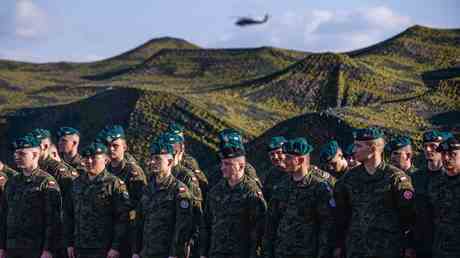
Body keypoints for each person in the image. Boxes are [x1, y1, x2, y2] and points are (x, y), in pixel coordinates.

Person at [334, 128, 416, 258]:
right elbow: (342, 215)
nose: (354, 150)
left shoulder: (395, 178)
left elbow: (408, 217)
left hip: (388, 248)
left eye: (358, 146)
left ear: (372, 149)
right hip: (357, 248)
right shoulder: (349, 179)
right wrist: (339, 244)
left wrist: (409, 246)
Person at [200, 140, 267, 258]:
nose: (222, 168)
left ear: (241, 166)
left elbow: (259, 231)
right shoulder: (216, 191)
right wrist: (203, 253)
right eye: (222, 163)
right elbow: (206, 224)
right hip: (216, 252)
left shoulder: (251, 193)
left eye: (227, 164)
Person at [269, 138, 335, 258]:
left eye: (288, 157)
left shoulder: (319, 188)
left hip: (307, 252)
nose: (284, 160)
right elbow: (272, 221)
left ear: (300, 160)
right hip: (282, 251)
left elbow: (327, 226)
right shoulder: (282, 186)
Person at [64, 143, 132, 258]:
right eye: (86, 158)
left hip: (104, 248)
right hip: (80, 247)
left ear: (106, 160)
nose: (89, 161)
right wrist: (69, 243)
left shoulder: (114, 184)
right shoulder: (77, 183)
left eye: (94, 158)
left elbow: (123, 218)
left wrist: (115, 247)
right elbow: (68, 214)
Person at [0, 135, 61, 258]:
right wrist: (2, 246)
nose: (16, 157)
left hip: (35, 247)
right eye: (16, 154)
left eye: (22, 154)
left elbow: (53, 220)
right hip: (12, 247)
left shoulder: (46, 182)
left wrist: (48, 249)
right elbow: (4, 216)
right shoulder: (12, 182)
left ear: (34, 155)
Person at [132, 140, 194, 258]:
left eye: (157, 159)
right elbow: (139, 222)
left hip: (166, 253)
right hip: (145, 252)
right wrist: (136, 251)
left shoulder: (179, 191)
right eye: (151, 158)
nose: (152, 162)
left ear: (170, 161)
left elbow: (182, 227)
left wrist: (175, 254)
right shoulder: (147, 189)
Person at [410, 130, 452, 258]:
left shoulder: (452, 177)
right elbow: (410, 213)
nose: (428, 150)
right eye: (425, 146)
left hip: (447, 244)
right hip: (421, 243)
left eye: (433, 146)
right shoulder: (415, 177)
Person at [427, 135, 460, 258]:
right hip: (440, 249)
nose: (446, 158)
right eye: (443, 153)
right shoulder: (436, 183)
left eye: (453, 154)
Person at [262, 136, 288, 202]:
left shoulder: (297, 172)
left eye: (279, 152)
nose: (275, 157)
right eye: (272, 154)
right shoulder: (271, 174)